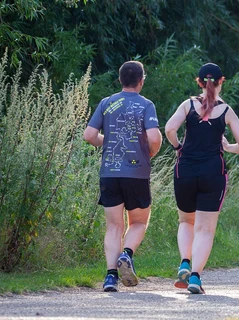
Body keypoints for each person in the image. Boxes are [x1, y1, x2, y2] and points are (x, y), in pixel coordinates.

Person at [165, 63, 239, 294]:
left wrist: (177, 147)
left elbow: (169, 129)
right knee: (205, 229)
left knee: (186, 221)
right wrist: (228, 147)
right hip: (213, 173)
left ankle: (184, 261)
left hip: (185, 170)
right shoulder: (227, 111)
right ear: (221, 81)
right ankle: (195, 278)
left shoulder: (188, 105)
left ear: (200, 82)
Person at [83, 61, 163, 292]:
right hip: (136, 173)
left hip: (109, 172)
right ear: (141, 80)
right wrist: (150, 153)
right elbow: (154, 137)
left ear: (120, 80)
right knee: (138, 222)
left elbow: (89, 135)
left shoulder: (106, 103)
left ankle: (110, 278)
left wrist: (106, 142)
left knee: (113, 227)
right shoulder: (146, 105)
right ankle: (126, 254)